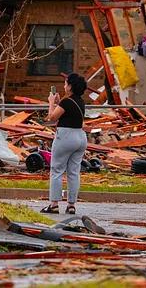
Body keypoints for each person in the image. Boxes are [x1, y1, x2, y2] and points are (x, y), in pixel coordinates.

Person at [41, 72, 88, 214]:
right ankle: (71, 204)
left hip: (65, 137)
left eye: (66, 83)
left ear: (71, 86)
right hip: (80, 137)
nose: (64, 85)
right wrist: (57, 103)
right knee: (74, 172)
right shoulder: (80, 101)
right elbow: (66, 112)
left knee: (57, 170)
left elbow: (52, 117)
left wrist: (51, 102)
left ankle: (54, 204)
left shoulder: (66, 102)